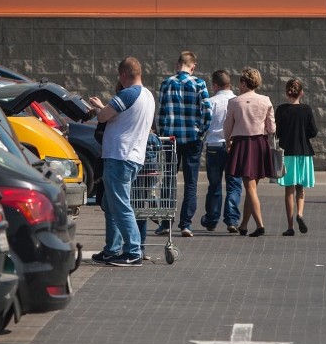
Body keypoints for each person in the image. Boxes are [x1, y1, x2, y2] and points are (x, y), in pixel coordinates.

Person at [86, 57, 155, 267]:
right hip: (132, 156)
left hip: (119, 156)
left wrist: (98, 108)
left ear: (124, 75)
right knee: (110, 204)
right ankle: (112, 250)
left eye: (119, 75)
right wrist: (102, 108)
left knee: (120, 205)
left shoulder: (127, 93)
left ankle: (133, 251)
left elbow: (103, 117)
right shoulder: (147, 95)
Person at [156, 51, 212, 238]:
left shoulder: (166, 83)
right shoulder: (199, 84)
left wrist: (162, 132)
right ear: (193, 66)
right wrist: (201, 130)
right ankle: (186, 224)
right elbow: (207, 112)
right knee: (191, 182)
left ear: (177, 64)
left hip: (171, 139)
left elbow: (161, 113)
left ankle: (165, 222)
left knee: (169, 180)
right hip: (193, 138)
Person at [223, 67, 276, 238]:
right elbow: (272, 127)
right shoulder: (265, 100)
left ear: (244, 83)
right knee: (251, 186)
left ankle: (260, 225)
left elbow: (228, 126)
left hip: (242, 144)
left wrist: (227, 141)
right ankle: (244, 225)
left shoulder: (234, 102)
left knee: (249, 186)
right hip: (260, 143)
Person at [199, 69, 243, 233]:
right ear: (229, 83)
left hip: (214, 146)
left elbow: (204, 125)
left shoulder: (210, 102)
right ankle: (232, 219)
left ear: (215, 85)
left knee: (215, 185)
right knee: (234, 184)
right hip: (233, 146)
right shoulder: (237, 101)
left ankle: (211, 219)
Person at [275, 78, 318, 236]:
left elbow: (277, 132)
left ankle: (290, 226)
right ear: (302, 93)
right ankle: (300, 214)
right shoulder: (306, 109)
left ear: (287, 92)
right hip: (304, 152)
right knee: (301, 187)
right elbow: (313, 131)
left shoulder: (281, 110)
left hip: (287, 153)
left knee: (289, 190)